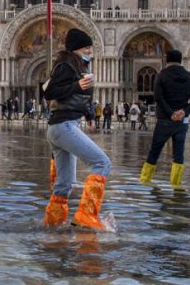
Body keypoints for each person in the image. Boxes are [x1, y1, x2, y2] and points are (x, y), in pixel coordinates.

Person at [42, 28, 111, 230]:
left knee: (65, 183)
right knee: (102, 163)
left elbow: (76, 98)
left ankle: (53, 222)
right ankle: (87, 215)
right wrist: (78, 86)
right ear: (76, 48)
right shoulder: (65, 65)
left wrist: (89, 114)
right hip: (64, 126)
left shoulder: (75, 66)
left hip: (58, 128)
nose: (90, 50)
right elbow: (50, 92)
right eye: (87, 47)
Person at [140, 50, 190, 186]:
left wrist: (170, 113)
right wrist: (184, 112)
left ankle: (145, 181)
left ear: (167, 60)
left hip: (165, 121)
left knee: (154, 151)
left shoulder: (162, 75)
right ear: (181, 61)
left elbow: (158, 98)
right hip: (182, 122)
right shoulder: (189, 77)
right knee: (179, 154)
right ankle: (176, 184)